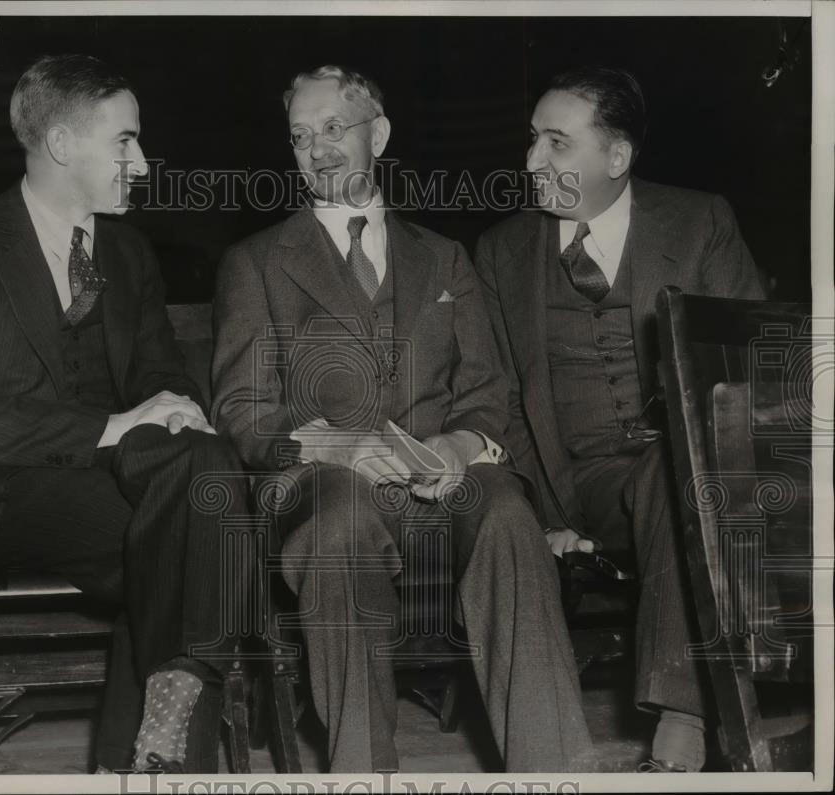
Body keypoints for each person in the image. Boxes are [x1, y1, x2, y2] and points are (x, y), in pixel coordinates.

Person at [212, 64, 595, 773]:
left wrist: (456, 443)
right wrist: (338, 445)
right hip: (323, 491)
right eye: (301, 136)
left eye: (334, 128)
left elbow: (488, 392)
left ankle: (552, 770)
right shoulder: (255, 263)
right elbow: (240, 410)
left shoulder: (446, 258)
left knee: (507, 511)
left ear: (378, 134)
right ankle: (363, 772)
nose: (318, 149)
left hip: (438, 490)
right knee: (341, 527)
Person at [0, 54, 246, 774]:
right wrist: (109, 428)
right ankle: (163, 761)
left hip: (100, 488)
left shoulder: (129, 251)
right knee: (200, 532)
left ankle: (154, 748)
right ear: (61, 146)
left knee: (202, 481)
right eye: (125, 141)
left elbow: (157, 372)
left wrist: (178, 410)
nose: (143, 163)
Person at [475, 66, 765, 773]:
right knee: (680, 476)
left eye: (555, 143)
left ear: (616, 157)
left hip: (694, 466)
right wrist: (538, 510)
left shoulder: (699, 223)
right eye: (532, 141)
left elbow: (752, 363)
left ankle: (679, 731)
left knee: (685, 470)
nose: (531, 161)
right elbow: (501, 396)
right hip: (582, 481)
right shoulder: (500, 252)